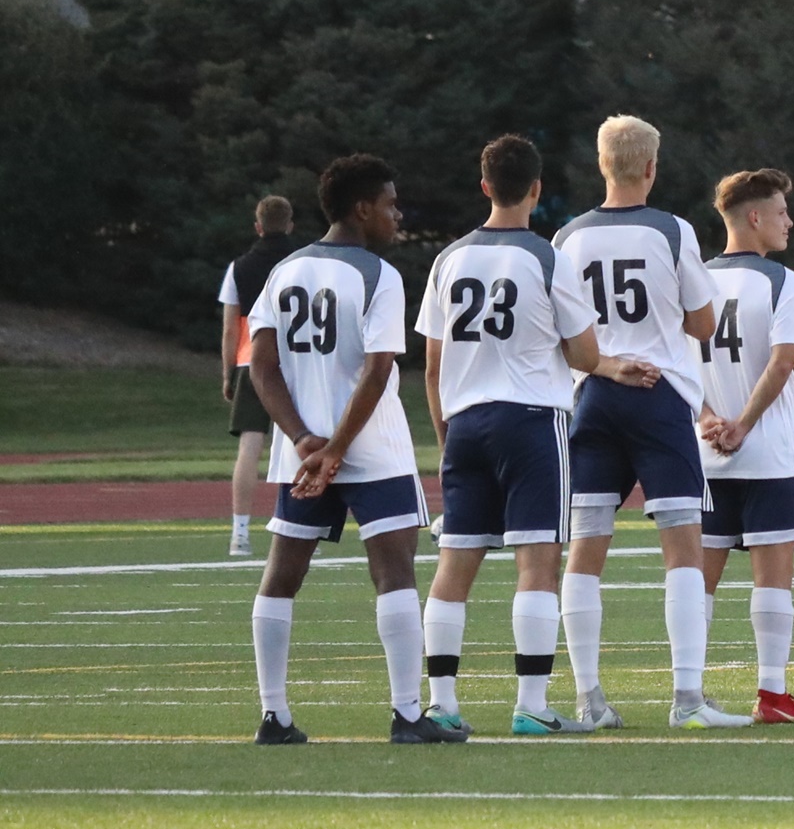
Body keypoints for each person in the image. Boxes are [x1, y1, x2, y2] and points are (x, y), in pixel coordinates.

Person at [244, 154, 458, 745]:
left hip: (302, 450)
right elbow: (378, 367)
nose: (398, 214)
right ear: (363, 210)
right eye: (391, 204)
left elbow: (260, 368)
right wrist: (336, 447)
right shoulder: (379, 275)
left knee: (281, 577)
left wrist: (303, 440)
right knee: (393, 573)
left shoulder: (284, 269)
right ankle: (408, 714)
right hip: (372, 447)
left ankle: (274, 717)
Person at [420, 136, 624, 736]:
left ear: (484, 186)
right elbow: (586, 352)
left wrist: (445, 436)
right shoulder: (547, 256)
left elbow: (432, 366)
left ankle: (442, 703)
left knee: (455, 564)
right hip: (532, 420)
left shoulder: (448, 258)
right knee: (538, 561)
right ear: (536, 188)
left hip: (464, 422)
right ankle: (531, 704)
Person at [553, 115, 731, 728]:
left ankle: (588, 698)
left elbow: (562, 331)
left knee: (585, 550)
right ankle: (686, 698)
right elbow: (704, 324)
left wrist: (605, 359)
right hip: (658, 397)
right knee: (683, 548)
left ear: (602, 164)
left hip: (593, 395)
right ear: (651, 167)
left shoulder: (567, 236)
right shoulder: (671, 229)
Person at [693, 168, 794, 723]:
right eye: (782, 211)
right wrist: (741, 424)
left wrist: (708, 419)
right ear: (754, 217)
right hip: (768, 453)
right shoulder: (784, 281)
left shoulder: (691, 278)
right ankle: (771, 694)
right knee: (774, 576)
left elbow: (675, 364)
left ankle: (688, 693)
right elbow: (783, 359)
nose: (789, 221)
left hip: (704, 453)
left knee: (699, 581)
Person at [219, 195, 303, 559]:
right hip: (296, 363)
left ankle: (240, 533)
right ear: (290, 224)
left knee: (249, 448)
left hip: (251, 361)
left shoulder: (240, 267)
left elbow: (228, 329)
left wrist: (228, 373)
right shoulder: (301, 263)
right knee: (300, 443)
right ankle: (297, 527)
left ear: (258, 226)